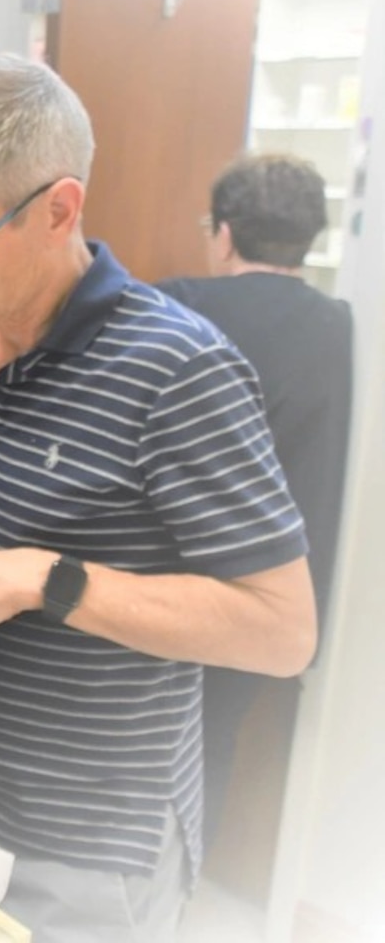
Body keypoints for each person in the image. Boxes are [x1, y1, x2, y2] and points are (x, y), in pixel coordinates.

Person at [0, 53, 316, 941]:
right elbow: (9, 539)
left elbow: (281, 632)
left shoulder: (176, 370)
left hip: (86, 849)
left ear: (58, 210)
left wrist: (45, 578)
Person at [157, 153, 353, 848]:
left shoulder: (168, 306)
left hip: (158, 587)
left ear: (224, 232)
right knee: (210, 752)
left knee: (134, 757)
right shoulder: (345, 332)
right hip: (277, 602)